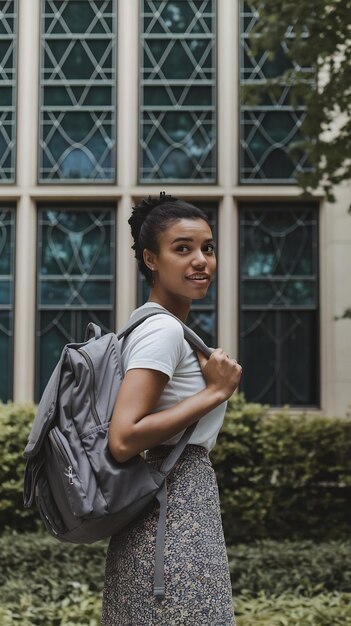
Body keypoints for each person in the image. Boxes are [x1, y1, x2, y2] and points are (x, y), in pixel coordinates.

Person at [101, 193, 242, 625]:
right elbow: (124, 437)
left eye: (207, 248)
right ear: (151, 259)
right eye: (182, 248)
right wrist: (214, 393)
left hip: (165, 507)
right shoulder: (160, 329)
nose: (200, 260)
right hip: (173, 511)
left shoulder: (155, 324)